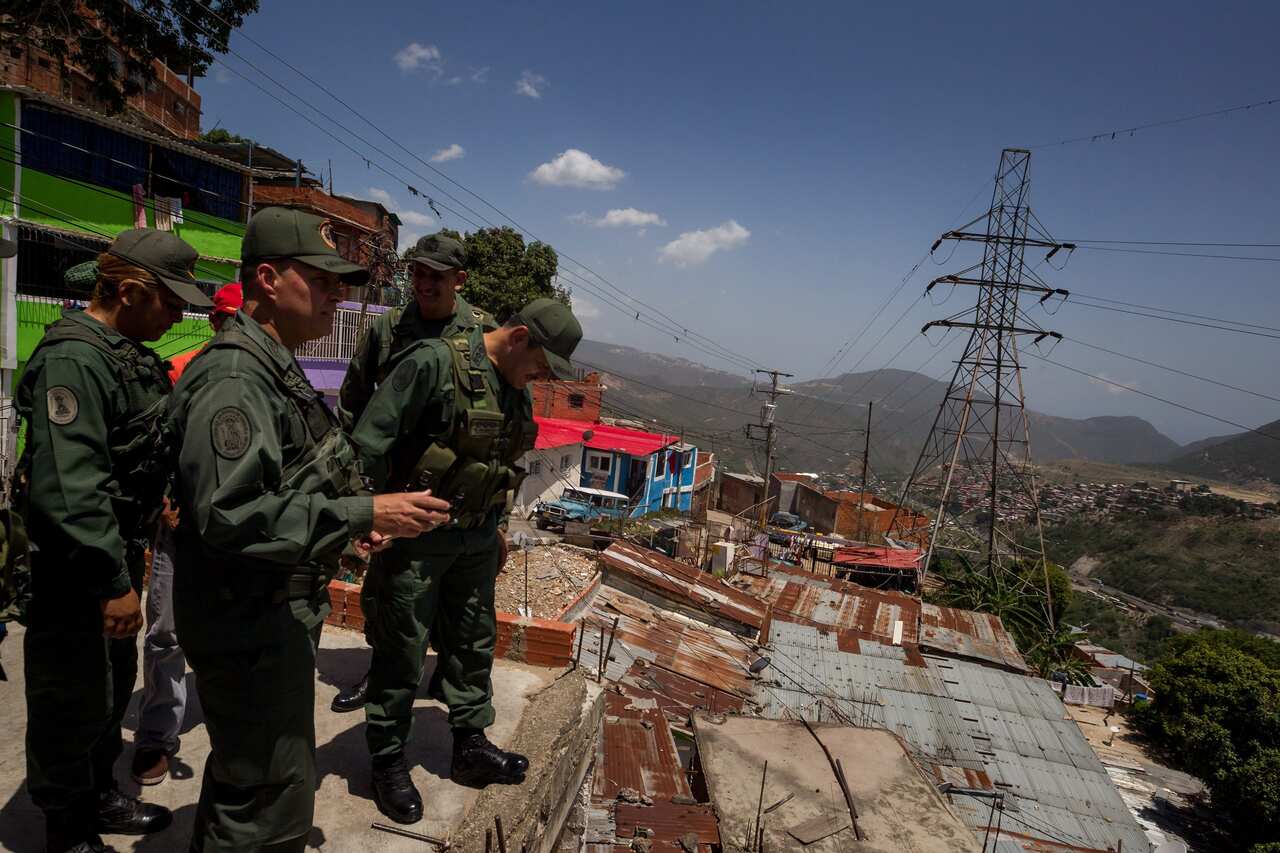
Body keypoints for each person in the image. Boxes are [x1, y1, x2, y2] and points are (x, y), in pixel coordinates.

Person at [167, 207, 452, 852]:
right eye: (321, 280)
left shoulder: (273, 363)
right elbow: (230, 514)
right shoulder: (235, 378)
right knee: (264, 796)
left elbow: (291, 479)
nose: (337, 295)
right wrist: (361, 514)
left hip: (268, 612)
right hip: (246, 621)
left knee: (258, 779)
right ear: (268, 279)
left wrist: (350, 522)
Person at [351, 297, 583, 824]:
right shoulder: (433, 362)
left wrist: (497, 526)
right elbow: (366, 443)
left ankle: (470, 745)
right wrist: (368, 515)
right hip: (418, 537)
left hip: (476, 539)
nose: (543, 376)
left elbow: (500, 461)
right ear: (519, 336)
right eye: (542, 363)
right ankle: (387, 760)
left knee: (474, 641)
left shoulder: (516, 388)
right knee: (402, 647)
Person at [16, 229, 211, 853]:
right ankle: (65, 829)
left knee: (105, 694)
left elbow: (138, 449)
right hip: (77, 570)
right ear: (129, 292)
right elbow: (70, 489)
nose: (180, 314)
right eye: (170, 301)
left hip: (116, 555)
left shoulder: (122, 350)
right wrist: (111, 582)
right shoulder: (75, 359)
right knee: (70, 702)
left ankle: (99, 794)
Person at [331, 232, 495, 713]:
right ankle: (381, 672)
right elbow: (352, 405)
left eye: (435, 276)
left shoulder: (483, 333)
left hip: (461, 494)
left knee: (461, 602)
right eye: (416, 272)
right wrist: (361, 493)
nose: (423, 283)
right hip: (400, 492)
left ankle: (449, 677)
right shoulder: (388, 332)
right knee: (388, 598)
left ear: (459, 281)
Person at [130, 282, 243, 787]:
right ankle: (156, 736)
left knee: (237, 635)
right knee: (165, 634)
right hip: (184, 529)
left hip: (240, 533)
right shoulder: (180, 371)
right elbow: (154, 450)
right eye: (229, 321)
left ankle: (239, 738)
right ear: (216, 322)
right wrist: (164, 502)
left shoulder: (271, 377)